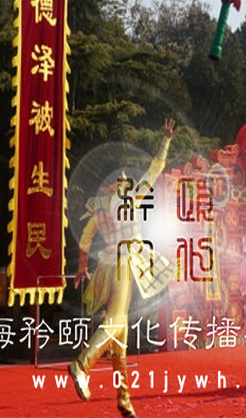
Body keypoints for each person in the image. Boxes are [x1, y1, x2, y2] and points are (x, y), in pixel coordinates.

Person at [69, 118, 177, 418]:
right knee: (116, 321)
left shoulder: (101, 208)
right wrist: (165, 140)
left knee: (120, 335)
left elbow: (85, 240)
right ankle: (82, 364)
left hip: (107, 266)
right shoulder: (131, 199)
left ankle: (124, 398)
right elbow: (155, 170)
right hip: (125, 262)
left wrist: (82, 269)